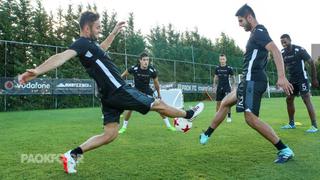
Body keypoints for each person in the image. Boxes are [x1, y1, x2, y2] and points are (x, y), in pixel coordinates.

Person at [18, 11, 204, 174]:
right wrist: (38, 70)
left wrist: (114, 32)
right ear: (86, 27)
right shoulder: (81, 43)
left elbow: (103, 48)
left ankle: (71, 155)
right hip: (118, 89)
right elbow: (61, 57)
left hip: (108, 96)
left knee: (110, 134)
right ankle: (189, 114)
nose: (100, 30)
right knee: (156, 104)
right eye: (97, 27)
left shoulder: (90, 46)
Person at [199, 4, 295, 163]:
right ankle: (206, 134)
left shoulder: (259, 32)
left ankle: (284, 150)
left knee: (250, 119)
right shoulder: (256, 34)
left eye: (241, 20)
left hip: (253, 81)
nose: (240, 24)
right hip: (247, 81)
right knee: (225, 102)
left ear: (250, 17)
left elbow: (275, 50)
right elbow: (265, 54)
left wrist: (282, 76)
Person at [119, 52, 176, 133]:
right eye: (144, 60)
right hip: (136, 91)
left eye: (147, 60)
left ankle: (169, 126)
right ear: (140, 61)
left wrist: (159, 95)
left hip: (147, 91)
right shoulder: (134, 68)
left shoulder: (152, 70)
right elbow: (123, 75)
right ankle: (124, 127)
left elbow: (156, 83)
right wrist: (118, 82)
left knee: (159, 107)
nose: (146, 62)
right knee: (129, 108)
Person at [280, 34, 319, 132]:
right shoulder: (283, 52)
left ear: (290, 40)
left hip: (302, 79)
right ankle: (291, 123)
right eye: (282, 42)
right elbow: (283, 66)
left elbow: (312, 63)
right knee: (289, 99)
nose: (283, 44)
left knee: (306, 99)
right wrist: (282, 78)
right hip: (291, 80)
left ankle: (314, 126)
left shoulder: (300, 50)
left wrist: (314, 79)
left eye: (285, 41)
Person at [213, 54, 235, 122]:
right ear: (219, 60)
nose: (222, 60)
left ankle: (229, 117)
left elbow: (233, 78)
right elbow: (215, 77)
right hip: (219, 87)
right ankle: (217, 116)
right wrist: (214, 86)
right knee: (218, 103)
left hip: (227, 87)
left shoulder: (229, 68)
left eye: (223, 59)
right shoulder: (217, 68)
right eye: (221, 59)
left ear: (226, 59)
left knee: (227, 103)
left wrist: (233, 86)